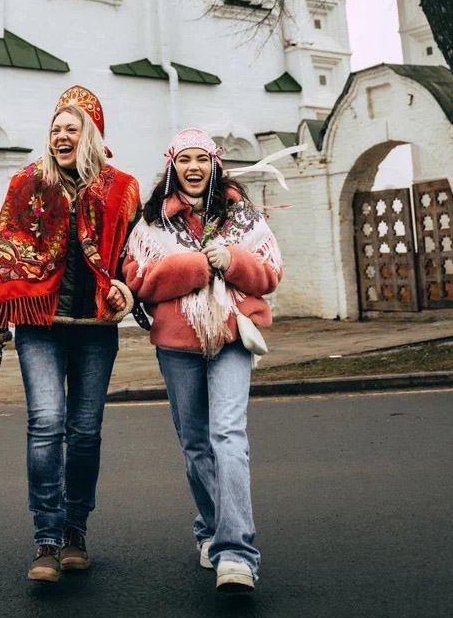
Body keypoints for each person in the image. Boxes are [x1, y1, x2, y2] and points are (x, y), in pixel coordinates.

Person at [0, 86, 140, 583]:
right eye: (55, 128)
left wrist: (126, 291)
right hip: (38, 325)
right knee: (46, 423)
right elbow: (3, 247)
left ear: (92, 135)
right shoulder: (27, 183)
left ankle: (75, 532)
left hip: (94, 327)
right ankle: (45, 539)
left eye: (72, 128)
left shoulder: (121, 188)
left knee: (84, 432)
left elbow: (134, 257)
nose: (61, 135)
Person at [123, 129, 283, 594]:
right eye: (184, 159)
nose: (194, 168)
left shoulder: (243, 216)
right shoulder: (152, 223)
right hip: (177, 342)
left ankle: (236, 552)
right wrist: (197, 266)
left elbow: (270, 272)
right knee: (195, 443)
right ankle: (211, 529)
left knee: (227, 435)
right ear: (172, 165)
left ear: (216, 164)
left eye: (202, 159)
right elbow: (140, 280)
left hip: (232, 336)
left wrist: (232, 260)